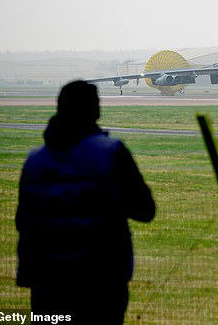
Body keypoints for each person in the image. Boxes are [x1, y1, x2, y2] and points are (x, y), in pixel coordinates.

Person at [15, 80, 155, 324]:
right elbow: (145, 209)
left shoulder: (34, 161)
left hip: (48, 280)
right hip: (100, 278)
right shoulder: (111, 152)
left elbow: (23, 221)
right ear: (94, 110)